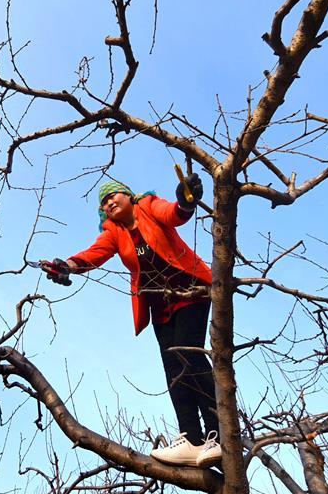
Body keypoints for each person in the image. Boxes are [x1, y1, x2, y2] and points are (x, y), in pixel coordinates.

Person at [43, 174, 222, 468]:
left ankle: (219, 434)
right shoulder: (114, 231)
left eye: (114, 195)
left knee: (190, 355)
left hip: (190, 291)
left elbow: (173, 214)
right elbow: (95, 253)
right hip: (159, 306)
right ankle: (192, 438)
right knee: (173, 368)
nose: (110, 202)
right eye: (104, 202)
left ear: (128, 195)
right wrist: (68, 266)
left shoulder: (148, 205)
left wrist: (186, 202)